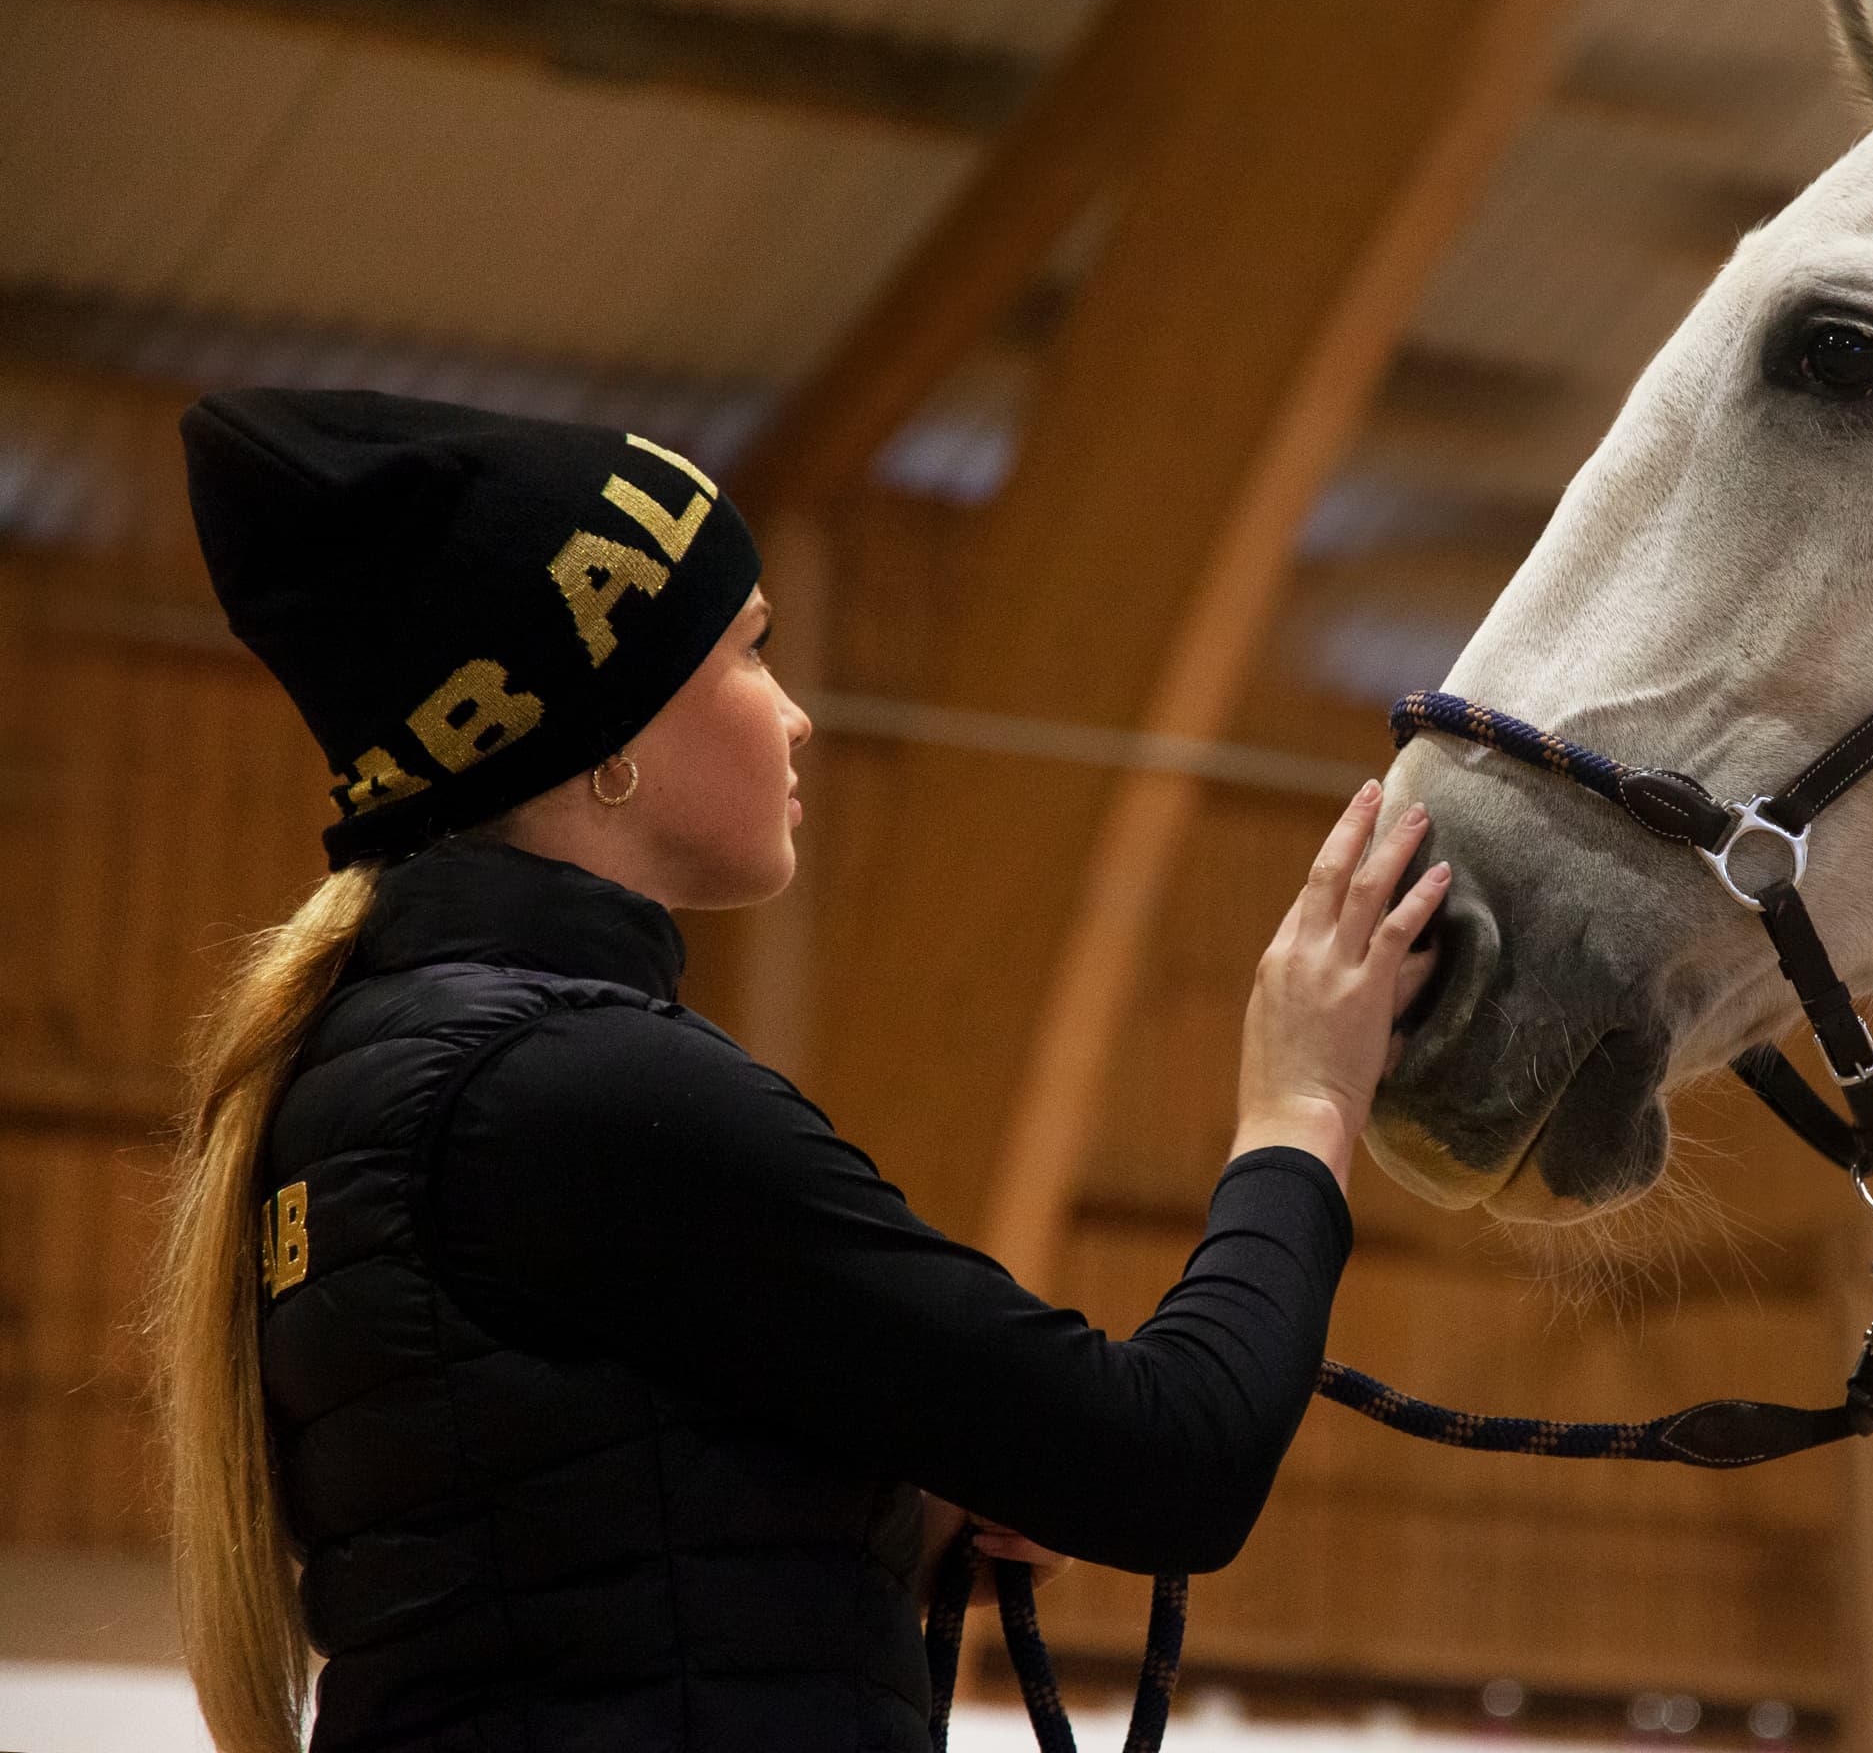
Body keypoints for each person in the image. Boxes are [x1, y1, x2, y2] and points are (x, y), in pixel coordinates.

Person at [151, 388, 1447, 1753]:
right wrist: (1305, 1102)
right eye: (752, 652)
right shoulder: (583, 1094)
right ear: (607, 743)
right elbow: (1173, 1460)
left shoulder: (374, 1084)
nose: (797, 718)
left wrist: (885, 1501)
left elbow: (569, 1545)